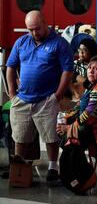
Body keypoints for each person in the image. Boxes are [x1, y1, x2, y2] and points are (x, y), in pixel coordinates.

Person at [6, 10, 73, 182]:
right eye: (30, 29)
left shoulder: (60, 44)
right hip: (22, 99)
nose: (34, 33)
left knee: (51, 136)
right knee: (19, 136)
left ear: (45, 23)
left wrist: (57, 96)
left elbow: (67, 71)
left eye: (37, 28)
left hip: (47, 99)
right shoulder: (21, 42)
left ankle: (53, 166)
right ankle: (18, 166)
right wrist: (12, 93)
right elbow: (10, 67)